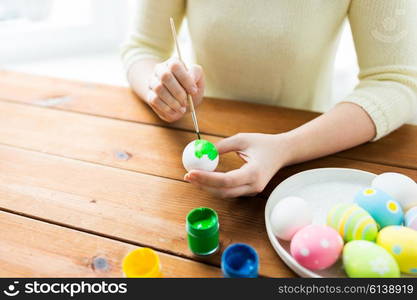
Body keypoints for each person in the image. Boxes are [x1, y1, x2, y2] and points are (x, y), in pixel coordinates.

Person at [121, 0, 417, 198]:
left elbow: (395, 83)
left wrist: (287, 147)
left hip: (307, 147)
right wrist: (159, 86)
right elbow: (142, 47)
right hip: (200, 132)